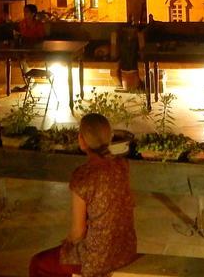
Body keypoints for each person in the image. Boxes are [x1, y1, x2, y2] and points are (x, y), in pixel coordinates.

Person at [29, 113, 137, 277]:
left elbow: (78, 232)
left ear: (81, 140)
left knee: (39, 263)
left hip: (98, 258)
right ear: (110, 137)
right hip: (126, 249)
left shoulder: (82, 177)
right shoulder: (122, 165)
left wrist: (67, 244)